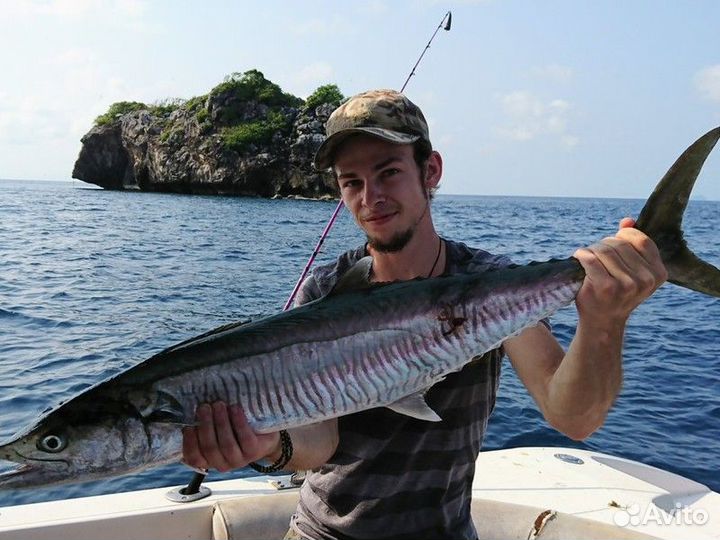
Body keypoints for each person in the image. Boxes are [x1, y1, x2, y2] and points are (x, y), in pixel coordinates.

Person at [182, 89, 668, 539]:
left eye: (388, 172)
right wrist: (266, 445)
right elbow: (320, 440)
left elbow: (572, 418)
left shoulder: (486, 283)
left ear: (430, 171)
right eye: (352, 182)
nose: (370, 198)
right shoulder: (327, 290)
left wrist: (605, 322)